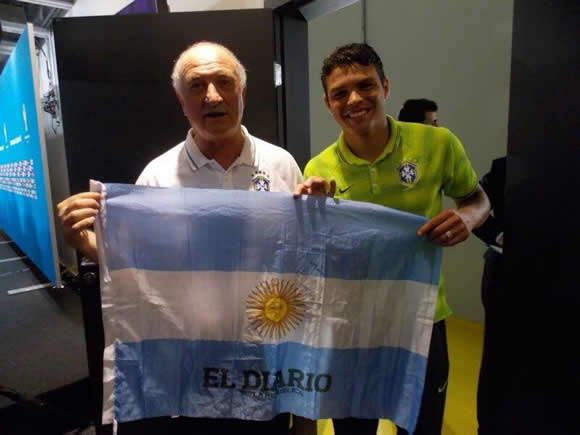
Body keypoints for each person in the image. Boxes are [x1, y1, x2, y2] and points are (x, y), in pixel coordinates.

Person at [57, 41, 313, 435]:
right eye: (197, 85)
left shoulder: (282, 165)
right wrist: (85, 243)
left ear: (241, 93)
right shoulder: (157, 177)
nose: (212, 95)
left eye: (224, 82)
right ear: (181, 101)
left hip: (266, 368)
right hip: (190, 374)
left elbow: (301, 265)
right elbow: (138, 271)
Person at [294, 43, 490, 435]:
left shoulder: (438, 143)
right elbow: (312, 251)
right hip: (351, 325)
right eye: (339, 93)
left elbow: (477, 199)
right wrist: (311, 213)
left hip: (422, 318)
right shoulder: (318, 168)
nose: (354, 99)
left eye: (365, 85)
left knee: (422, 426)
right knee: (354, 428)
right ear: (327, 103)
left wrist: (467, 219)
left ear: (385, 86)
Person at [472, 157, 506, 434]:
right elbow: (474, 209)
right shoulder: (505, 168)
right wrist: (500, 236)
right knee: (498, 358)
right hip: (505, 276)